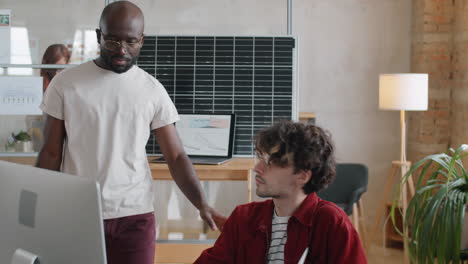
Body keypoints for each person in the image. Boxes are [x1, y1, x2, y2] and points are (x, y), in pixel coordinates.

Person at [36, 2, 225, 264]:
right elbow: (51, 152)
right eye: (112, 40)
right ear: (98, 35)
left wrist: (202, 203)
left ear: (142, 40)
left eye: (131, 42)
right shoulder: (66, 83)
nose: (122, 50)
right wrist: (37, 207)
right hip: (78, 213)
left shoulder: (151, 90)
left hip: (135, 218)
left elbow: (176, 156)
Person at [195, 121, 367, 264]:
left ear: (302, 175)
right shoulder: (244, 218)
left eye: (271, 162)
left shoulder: (331, 223)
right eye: (260, 158)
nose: (257, 168)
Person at [26, 44, 71, 152]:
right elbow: (31, 123)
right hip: (43, 147)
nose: (57, 73)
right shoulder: (38, 89)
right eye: (54, 68)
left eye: (62, 68)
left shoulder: (69, 87)